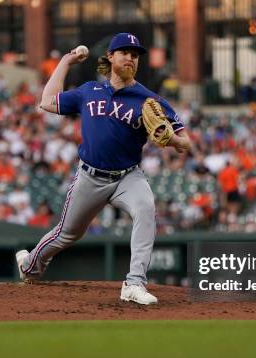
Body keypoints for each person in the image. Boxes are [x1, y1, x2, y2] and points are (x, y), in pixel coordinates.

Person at [16, 33, 191, 305]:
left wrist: (174, 140)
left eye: (135, 55)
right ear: (110, 57)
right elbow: (47, 101)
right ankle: (30, 265)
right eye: (125, 52)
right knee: (66, 234)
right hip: (90, 176)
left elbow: (186, 142)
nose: (131, 58)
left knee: (145, 210)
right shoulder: (89, 91)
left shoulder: (148, 99)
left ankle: (134, 283)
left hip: (128, 177)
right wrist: (65, 61)